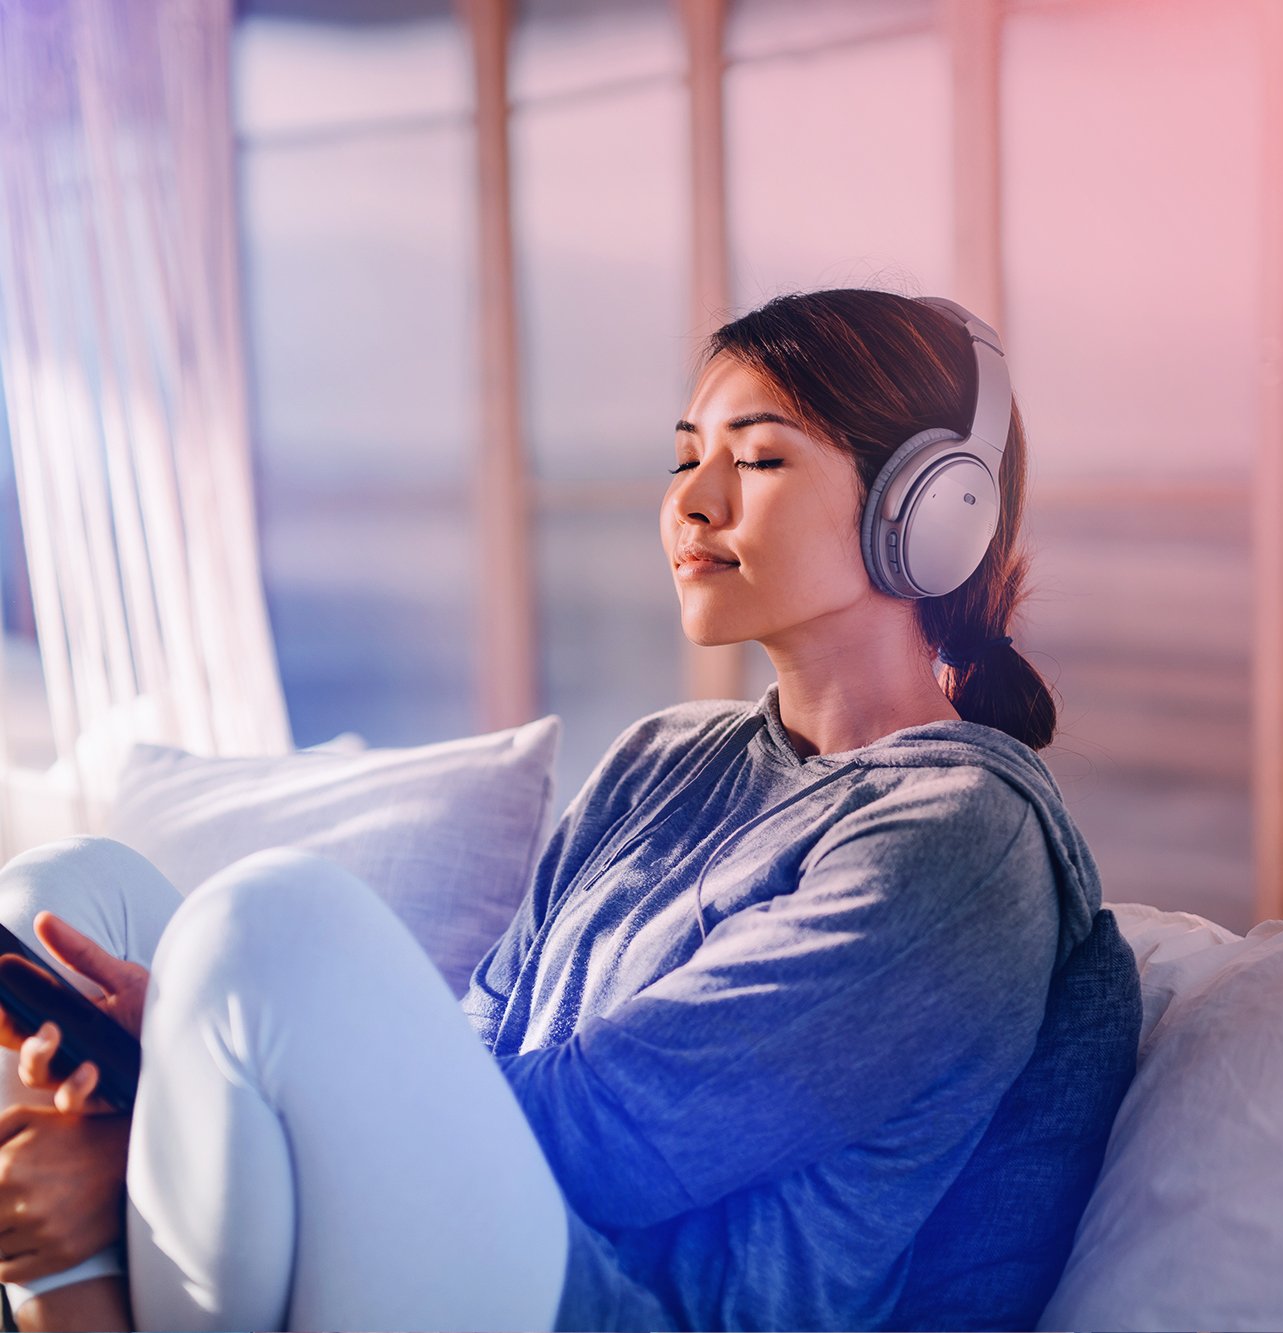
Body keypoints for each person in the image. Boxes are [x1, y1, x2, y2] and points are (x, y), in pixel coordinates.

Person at [0, 288, 1140, 1332]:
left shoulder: (959, 843)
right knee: (63, 889)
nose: (692, 502)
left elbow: (610, 1144)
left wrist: (182, 1103)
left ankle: (86, 1259)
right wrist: (197, 1073)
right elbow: (485, 1025)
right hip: (478, 1224)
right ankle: (82, 1259)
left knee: (267, 927)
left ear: (929, 512)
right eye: (687, 456)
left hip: (622, 1304)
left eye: (758, 460)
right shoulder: (667, 757)